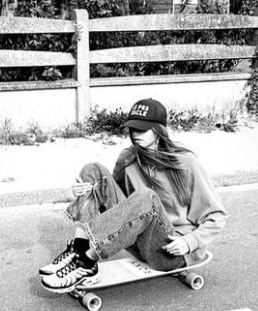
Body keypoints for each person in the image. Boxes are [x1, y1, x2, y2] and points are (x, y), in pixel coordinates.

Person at [40, 98, 228, 292]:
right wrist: (83, 192)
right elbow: (112, 202)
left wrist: (190, 242)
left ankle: (87, 261)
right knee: (93, 170)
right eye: (133, 129)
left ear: (159, 129)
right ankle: (79, 250)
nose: (135, 134)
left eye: (142, 129)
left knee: (146, 196)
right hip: (140, 241)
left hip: (171, 250)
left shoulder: (186, 163)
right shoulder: (129, 159)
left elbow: (218, 216)